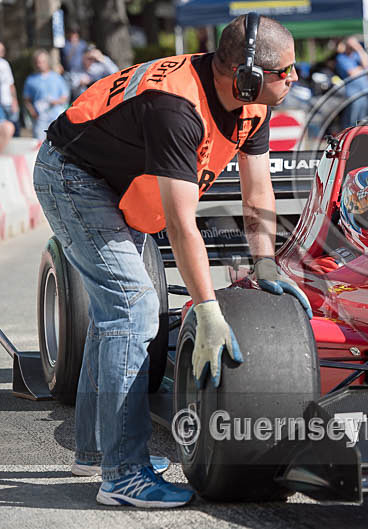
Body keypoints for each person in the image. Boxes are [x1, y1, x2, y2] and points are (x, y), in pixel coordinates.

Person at [34, 13, 310, 508]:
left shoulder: (254, 104)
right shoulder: (177, 107)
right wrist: (206, 310)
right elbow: (182, 227)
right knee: (134, 310)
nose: (294, 79)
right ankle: (122, 475)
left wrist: (265, 263)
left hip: (114, 180)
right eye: (284, 72)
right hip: (73, 176)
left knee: (115, 316)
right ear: (244, 75)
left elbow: (258, 190)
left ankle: (98, 450)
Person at [23, 50, 69, 140]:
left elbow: (65, 96)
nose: (40, 65)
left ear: (47, 62)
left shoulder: (56, 77)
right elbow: (26, 99)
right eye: (38, 62)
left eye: (42, 62)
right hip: (40, 118)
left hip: (55, 117)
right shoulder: (31, 79)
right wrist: (32, 112)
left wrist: (56, 102)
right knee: (39, 142)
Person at [335, 36, 368, 127]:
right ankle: (349, 139)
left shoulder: (356, 56)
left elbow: (367, 65)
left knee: (362, 121)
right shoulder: (341, 58)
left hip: (364, 92)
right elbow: (353, 73)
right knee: (352, 120)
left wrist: (359, 49)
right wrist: (362, 68)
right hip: (353, 95)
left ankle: (360, 138)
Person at [0, 42, 19, 133]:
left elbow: (11, 84)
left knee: (13, 126)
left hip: (7, 101)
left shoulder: (4, 64)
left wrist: (14, 101)